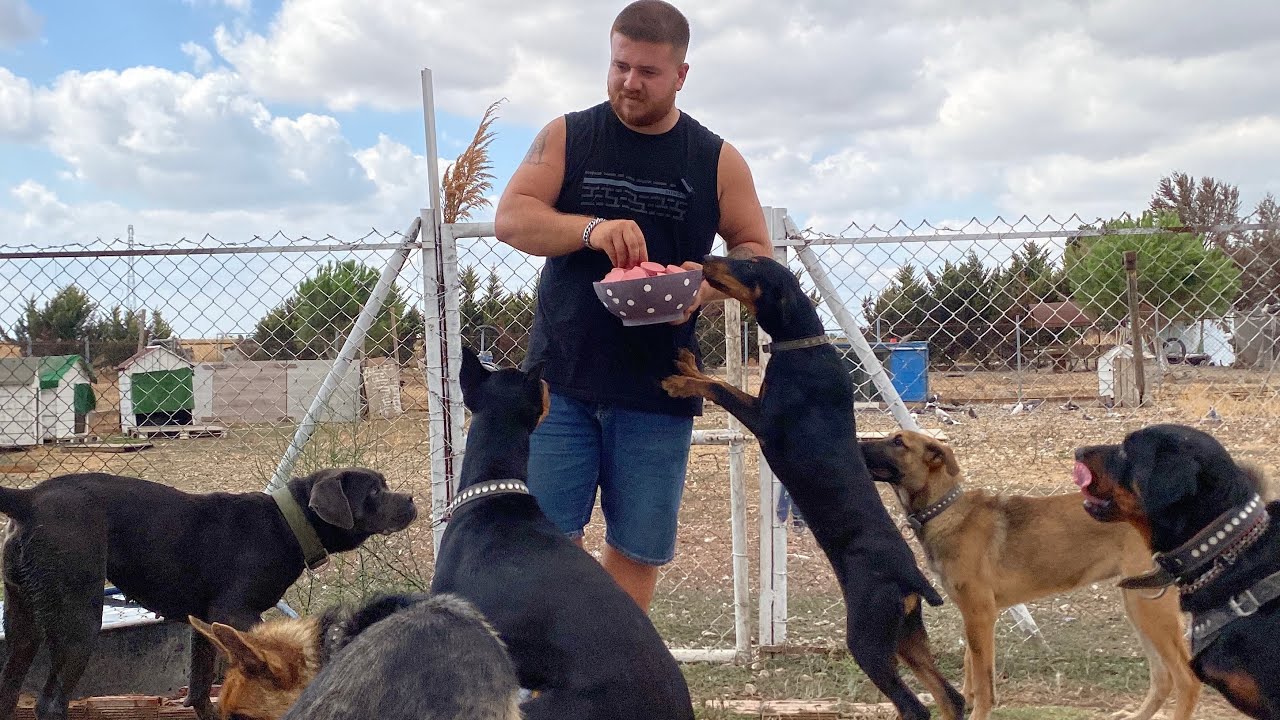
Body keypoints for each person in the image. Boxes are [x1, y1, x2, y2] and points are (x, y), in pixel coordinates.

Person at [493, 0, 772, 613]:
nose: (629, 82)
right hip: (560, 383)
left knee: (639, 550)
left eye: (647, 71)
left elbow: (756, 251)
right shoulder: (569, 134)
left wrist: (702, 288)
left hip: (660, 387)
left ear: (681, 75)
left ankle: (614, 678)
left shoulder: (715, 158)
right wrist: (592, 230)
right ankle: (542, 688)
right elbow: (512, 219)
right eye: (620, 65)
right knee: (541, 542)